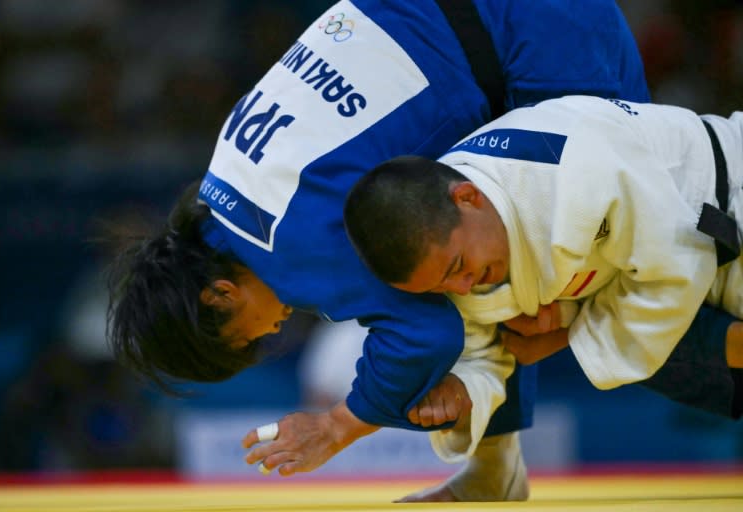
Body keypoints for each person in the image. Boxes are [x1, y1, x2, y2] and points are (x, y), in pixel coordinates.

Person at [107, 0, 657, 502]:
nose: (272, 332)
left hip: (533, 38)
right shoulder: (226, 177)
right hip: (497, 26)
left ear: (220, 294)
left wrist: (340, 425)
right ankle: (494, 469)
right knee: (471, 261)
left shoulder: (285, 248)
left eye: (249, 335)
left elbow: (425, 335)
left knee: (644, 250)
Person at [344, 94, 743, 423]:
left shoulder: (571, 171)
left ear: (468, 197)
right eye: (440, 286)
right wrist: (463, 386)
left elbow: (677, 262)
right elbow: (485, 348)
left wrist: (567, 331)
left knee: (661, 343)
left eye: (457, 269)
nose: (463, 287)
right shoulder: (452, 246)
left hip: (722, 199)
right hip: (672, 275)